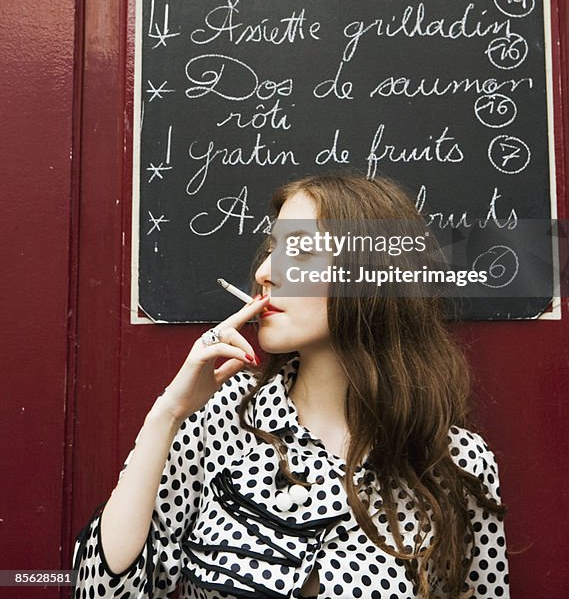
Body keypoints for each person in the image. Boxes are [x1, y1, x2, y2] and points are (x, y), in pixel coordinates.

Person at [72, 173, 510, 598]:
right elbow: (104, 591)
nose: (264, 271)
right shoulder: (220, 417)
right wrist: (165, 415)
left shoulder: (455, 461)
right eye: (271, 249)